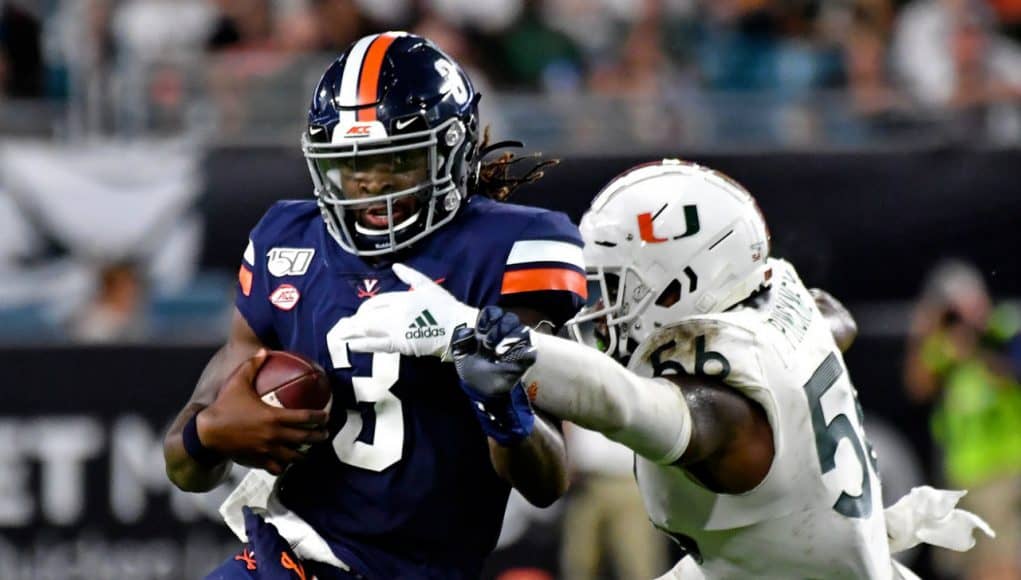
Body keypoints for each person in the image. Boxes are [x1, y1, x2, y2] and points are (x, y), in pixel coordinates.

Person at [340, 159, 994, 579]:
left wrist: (470, 337)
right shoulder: (776, 300)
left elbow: (624, 403)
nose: (597, 306)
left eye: (615, 285)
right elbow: (830, 321)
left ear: (683, 284)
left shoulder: (725, 407)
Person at [163, 31, 587, 579]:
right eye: (352, 167)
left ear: (451, 150)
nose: (370, 187)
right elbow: (182, 462)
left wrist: (503, 408)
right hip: (285, 559)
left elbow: (547, 481)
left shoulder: (510, 249)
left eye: (397, 163)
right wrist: (211, 434)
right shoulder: (286, 242)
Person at [904, 260, 1021, 580]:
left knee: (1002, 564)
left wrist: (976, 340)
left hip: (1002, 470)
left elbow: (1013, 368)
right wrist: (925, 331)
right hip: (962, 475)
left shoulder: (1003, 326)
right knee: (969, 567)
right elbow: (918, 386)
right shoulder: (945, 344)